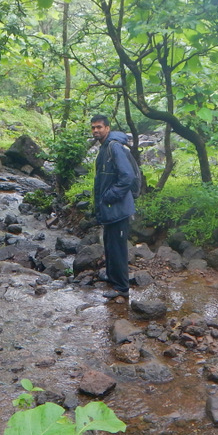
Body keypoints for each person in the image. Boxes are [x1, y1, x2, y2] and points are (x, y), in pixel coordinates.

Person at [91, 115, 135, 299]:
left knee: (117, 248)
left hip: (117, 208)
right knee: (110, 245)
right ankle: (114, 281)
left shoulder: (114, 147)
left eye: (99, 127)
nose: (96, 131)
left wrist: (109, 196)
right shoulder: (105, 147)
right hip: (110, 208)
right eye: (93, 128)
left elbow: (128, 176)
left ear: (107, 128)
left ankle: (121, 288)